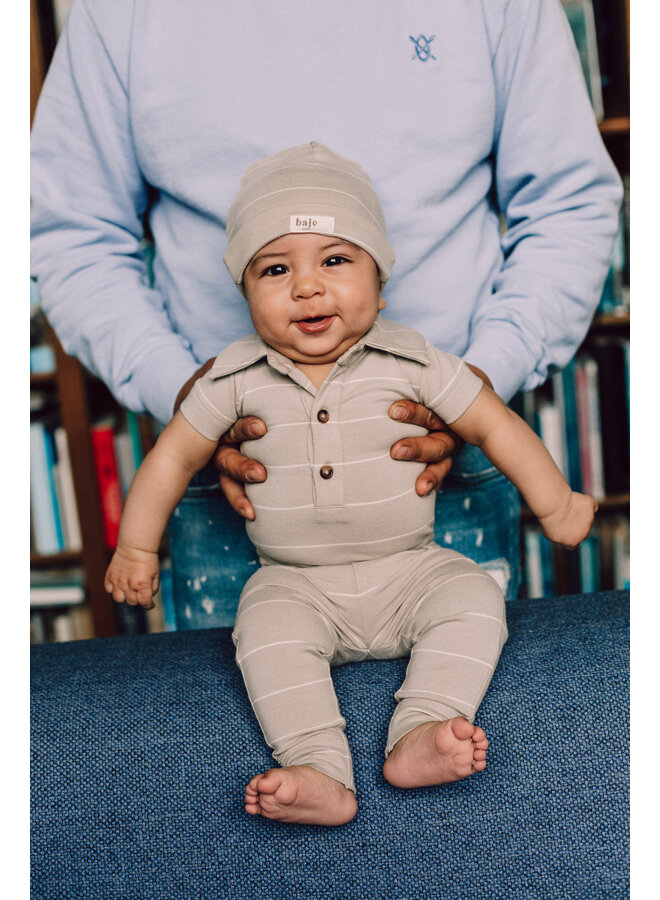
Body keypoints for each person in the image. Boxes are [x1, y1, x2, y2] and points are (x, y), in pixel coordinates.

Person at [31, 0, 622, 625]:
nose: (310, 289)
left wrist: (484, 386)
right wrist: (186, 396)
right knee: (244, 705)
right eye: (280, 270)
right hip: (235, 475)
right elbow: (75, 233)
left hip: (446, 459)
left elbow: (568, 204)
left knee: (461, 693)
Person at [104, 143, 597, 826]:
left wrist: (557, 501)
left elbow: (493, 425)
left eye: (336, 260)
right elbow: (170, 459)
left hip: (411, 569)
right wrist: (135, 550)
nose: (307, 287)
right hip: (295, 579)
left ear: (381, 280)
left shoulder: (414, 359)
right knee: (264, 631)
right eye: (275, 269)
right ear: (244, 292)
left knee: (475, 599)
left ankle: (423, 728)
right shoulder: (232, 379)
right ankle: (317, 767)